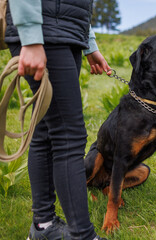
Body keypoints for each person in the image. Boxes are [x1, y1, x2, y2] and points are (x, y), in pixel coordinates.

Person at [5, 0, 110, 239]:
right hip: (44, 29)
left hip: (65, 31)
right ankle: (81, 235)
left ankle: (43, 225)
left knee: (46, 129)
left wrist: (89, 43)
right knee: (68, 135)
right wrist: (31, 37)